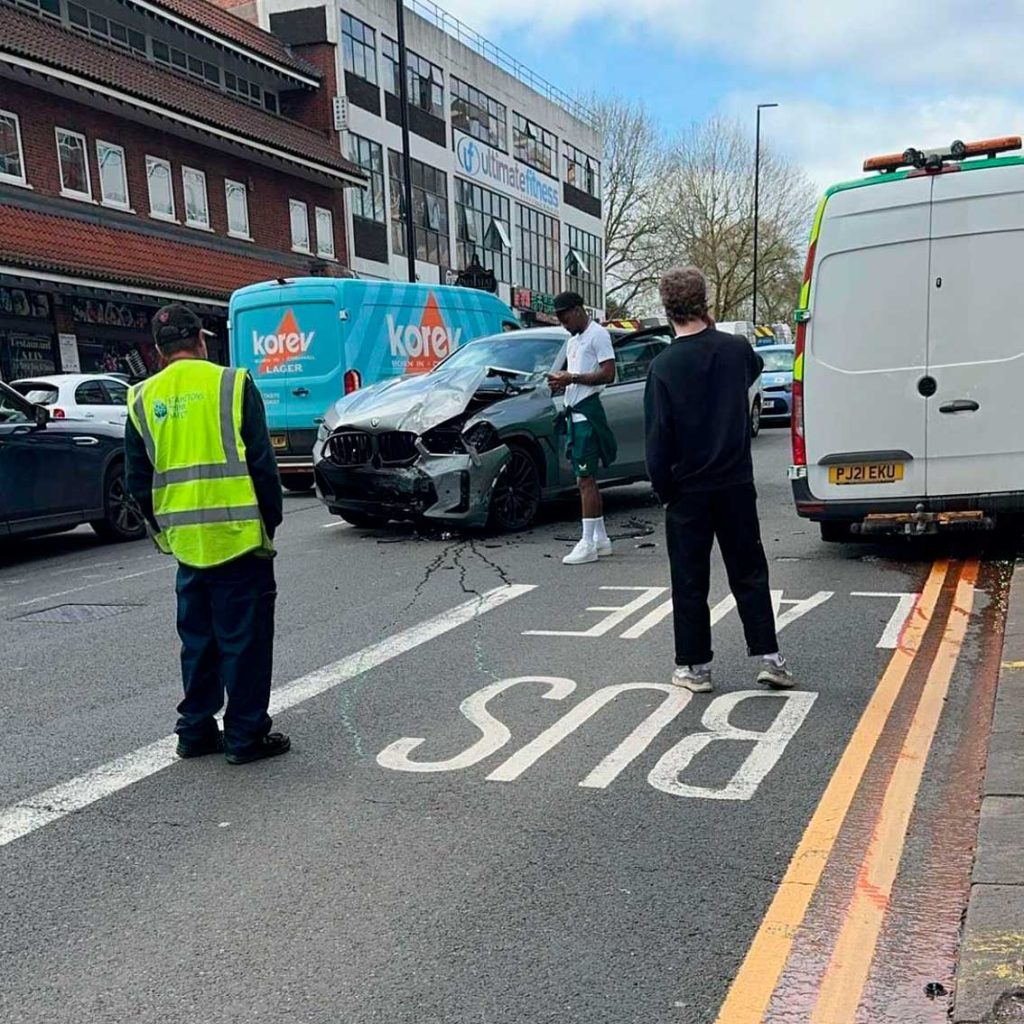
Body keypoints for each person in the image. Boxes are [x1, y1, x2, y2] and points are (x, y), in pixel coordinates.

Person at [124, 304, 290, 764]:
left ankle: (195, 731)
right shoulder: (233, 384)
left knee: (198, 642)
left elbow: (139, 481)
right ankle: (245, 736)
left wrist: (165, 533)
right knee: (245, 642)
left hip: (186, 544)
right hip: (239, 538)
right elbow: (262, 467)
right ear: (201, 341)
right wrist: (268, 527)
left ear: (159, 352)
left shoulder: (140, 397)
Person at [644, 268, 794, 693]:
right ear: (705, 304)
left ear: (667, 309)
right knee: (749, 570)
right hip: (735, 484)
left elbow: (657, 441)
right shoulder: (736, 350)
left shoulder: (663, 367)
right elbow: (753, 368)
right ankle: (771, 659)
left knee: (690, 580)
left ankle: (695, 668)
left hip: (688, 490)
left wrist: (665, 488)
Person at [547, 291, 618, 565]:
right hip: (575, 412)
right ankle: (600, 538)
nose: (564, 324)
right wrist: (561, 381)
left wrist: (572, 378)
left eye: (565, 318)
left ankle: (587, 542)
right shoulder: (573, 340)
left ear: (578, 310)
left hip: (587, 413)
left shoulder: (597, 334)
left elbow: (608, 373)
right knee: (584, 479)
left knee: (586, 480)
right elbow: (574, 377)